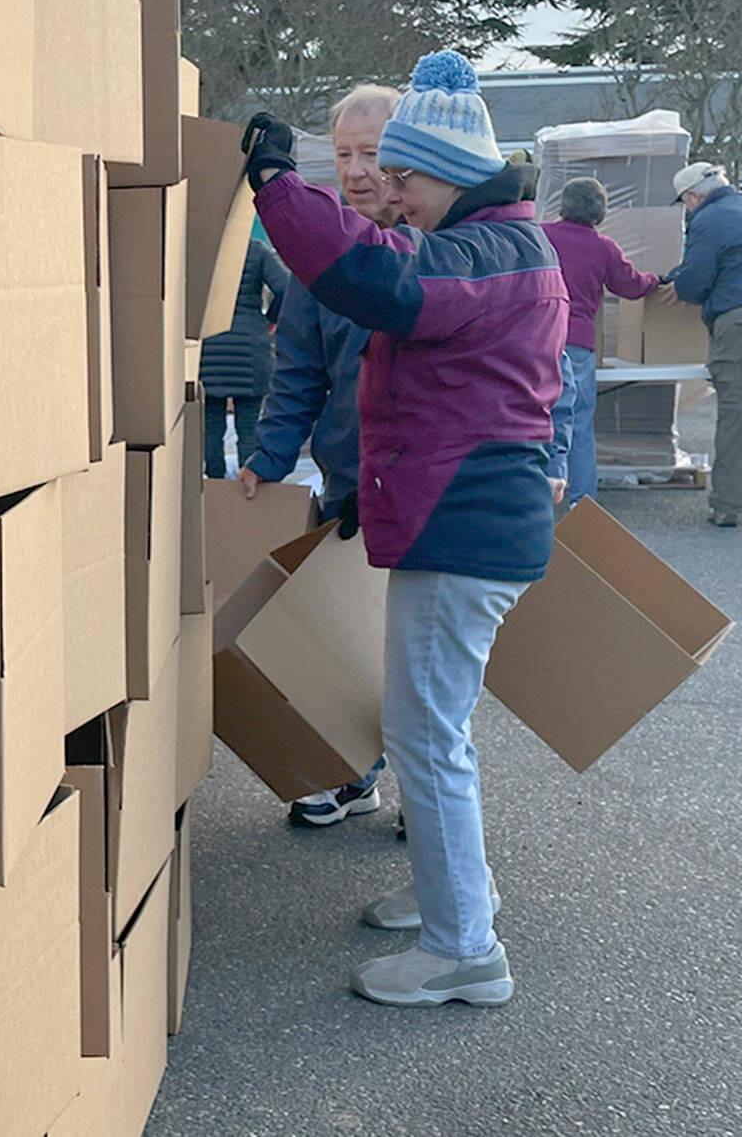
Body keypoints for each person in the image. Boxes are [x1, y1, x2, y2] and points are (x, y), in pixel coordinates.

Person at [244, 49, 571, 1009]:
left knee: (424, 734)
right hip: (463, 521)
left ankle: (465, 947)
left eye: (405, 174)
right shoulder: (504, 246)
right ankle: (452, 897)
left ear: (455, 173)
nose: (393, 191)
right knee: (430, 727)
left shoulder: (491, 255)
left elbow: (379, 282)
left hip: (464, 532)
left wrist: (275, 184)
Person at [238, 83, 402, 829]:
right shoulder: (314, 259)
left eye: (371, 153)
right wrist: (267, 459)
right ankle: (354, 770)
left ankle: (431, 794)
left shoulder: (426, 242)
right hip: (347, 488)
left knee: (423, 654)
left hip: (422, 492)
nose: (357, 169)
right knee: (353, 640)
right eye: (343, 154)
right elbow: (299, 371)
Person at [663, 162, 742, 528]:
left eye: (684, 204)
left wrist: (678, 285)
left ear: (693, 196)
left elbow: (696, 280)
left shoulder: (709, 218)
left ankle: (729, 506)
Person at [541, 177, 664, 505]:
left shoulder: (540, 235)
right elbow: (631, 286)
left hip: (537, 338)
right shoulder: (603, 247)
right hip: (578, 342)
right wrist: (656, 281)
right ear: (600, 212)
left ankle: (533, 493)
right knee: (578, 425)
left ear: (563, 206)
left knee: (532, 417)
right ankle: (582, 502)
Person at [200, 235, 289, 479]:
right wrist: (271, 319)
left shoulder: (198, 249)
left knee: (211, 426)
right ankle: (246, 492)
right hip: (251, 348)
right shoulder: (256, 250)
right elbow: (285, 287)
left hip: (209, 346)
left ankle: (213, 490)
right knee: (249, 428)